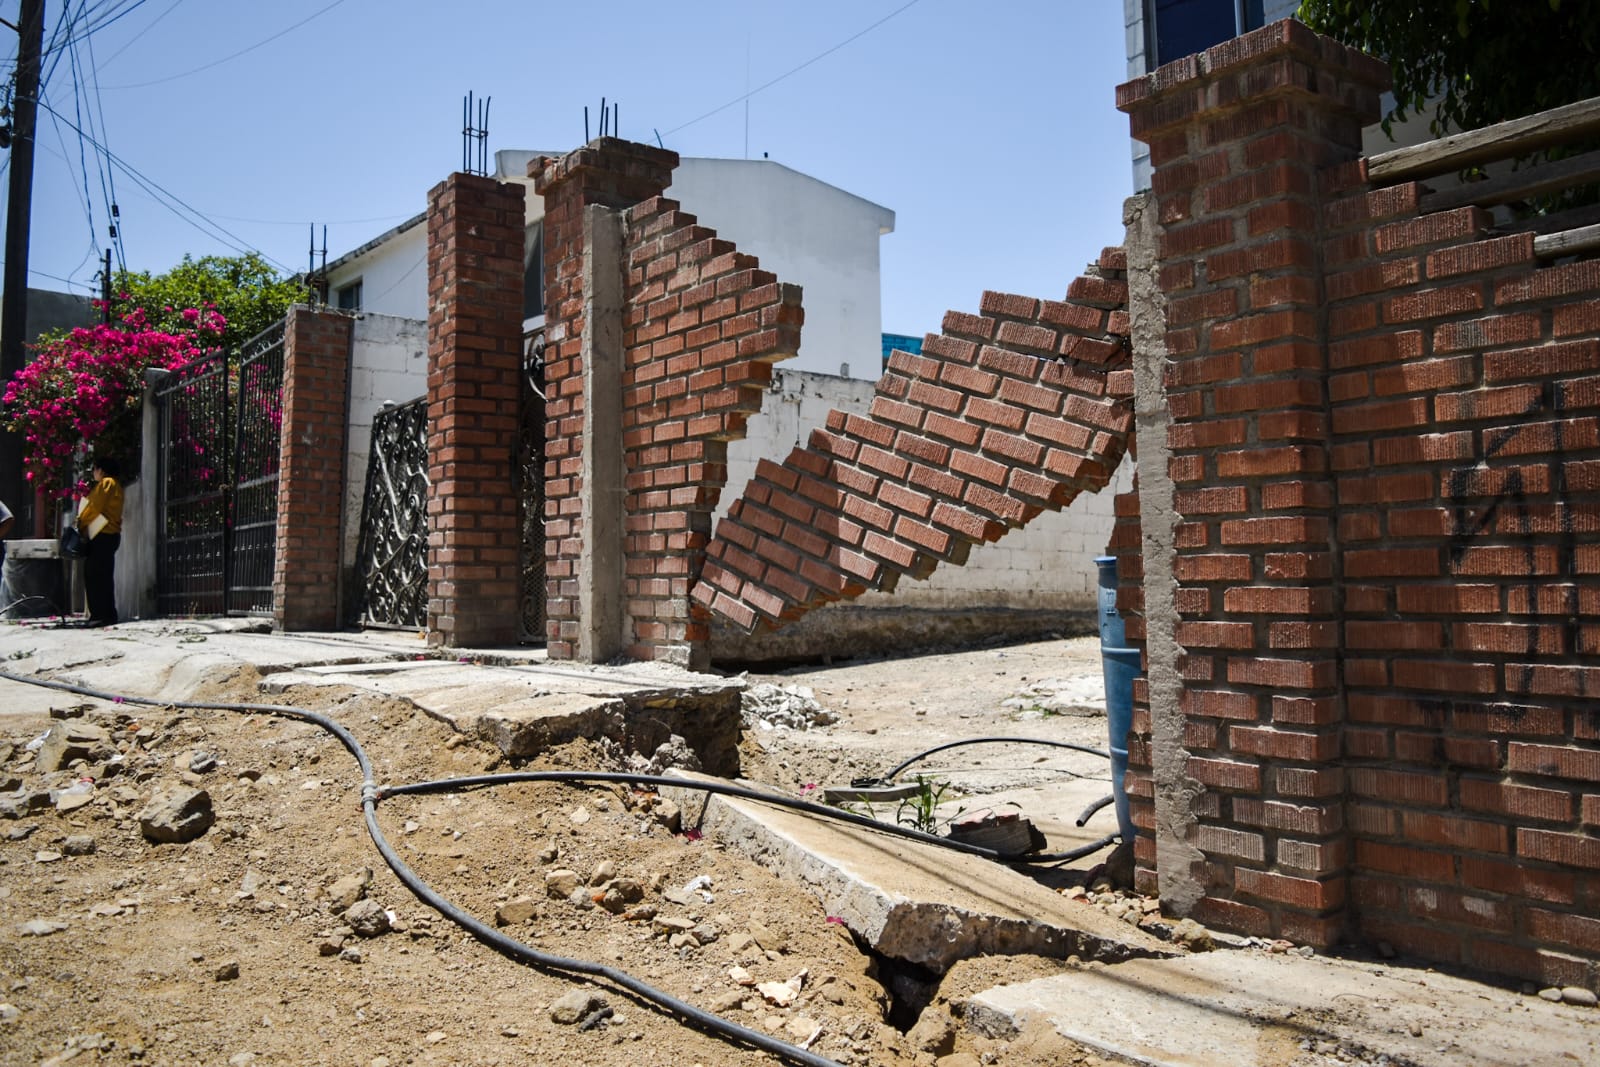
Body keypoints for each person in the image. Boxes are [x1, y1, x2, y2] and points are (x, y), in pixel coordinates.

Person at [77, 456, 123, 627]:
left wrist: (80, 523)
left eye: (94, 469)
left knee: (94, 575)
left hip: (102, 534)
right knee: (104, 576)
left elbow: (93, 507)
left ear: (101, 470)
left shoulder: (107, 483)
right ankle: (108, 614)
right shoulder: (116, 485)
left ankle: (99, 615)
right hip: (110, 535)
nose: (93, 473)